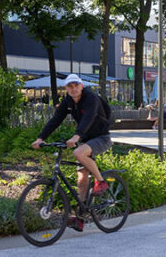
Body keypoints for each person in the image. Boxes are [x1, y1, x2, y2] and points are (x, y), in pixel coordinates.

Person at [31, 74, 112, 232]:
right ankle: (80, 218)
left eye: (76, 85)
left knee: (78, 153)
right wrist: (41, 138)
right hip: (86, 139)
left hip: (101, 137)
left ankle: (101, 182)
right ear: (66, 88)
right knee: (81, 179)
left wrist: (77, 136)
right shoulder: (67, 102)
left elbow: (89, 117)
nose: (73, 89)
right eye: (70, 86)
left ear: (81, 86)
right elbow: (55, 120)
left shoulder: (91, 98)